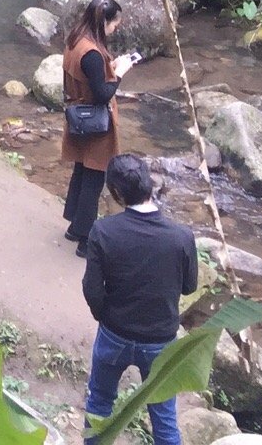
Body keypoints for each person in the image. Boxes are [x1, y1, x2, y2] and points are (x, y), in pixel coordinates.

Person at [82, 154, 199, 445]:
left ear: (117, 193)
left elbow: (92, 289)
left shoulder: (103, 231)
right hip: (160, 338)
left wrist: (105, 316)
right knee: (164, 416)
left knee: (99, 405)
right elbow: (189, 286)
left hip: (115, 333)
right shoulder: (181, 236)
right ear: (150, 185)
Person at [61, 0, 134, 249]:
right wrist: (120, 74)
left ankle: (73, 226)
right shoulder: (92, 53)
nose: (115, 29)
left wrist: (109, 67)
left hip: (78, 116)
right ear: (103, 22)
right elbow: (103, 93)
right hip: (95, 122)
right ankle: (85, 240)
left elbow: (88, 77)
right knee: (94, 177)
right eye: (114, 24)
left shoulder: (75, 40)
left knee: (81, 170)